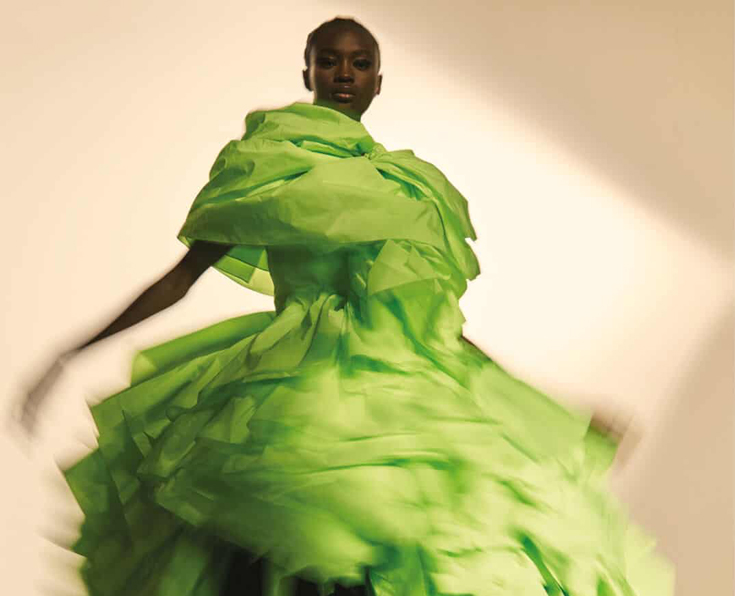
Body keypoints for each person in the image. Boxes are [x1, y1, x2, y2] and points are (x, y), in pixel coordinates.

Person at [14, 16, 673, 596]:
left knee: (405, 553)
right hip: (288, 390)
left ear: (379, 81)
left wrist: (556, 413)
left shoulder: (407, 187)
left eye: (360, 62)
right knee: (274, 552)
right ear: (307, 72)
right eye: (329, 60)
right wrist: (70, 353)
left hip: (398, 389)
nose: (344, 73)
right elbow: (182, 277)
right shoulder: (272, 163)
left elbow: (435, 330)